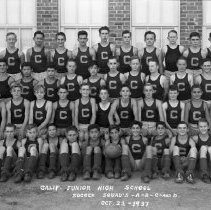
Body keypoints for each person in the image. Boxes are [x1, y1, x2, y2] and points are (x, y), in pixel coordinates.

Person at [192, 119, 211, 183]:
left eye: (205, 126)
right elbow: (193, 153)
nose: (203, 128)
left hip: (209, 161)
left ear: (208, 127)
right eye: (201, 127)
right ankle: (204, 175)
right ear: (198, 128)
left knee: (210, 149)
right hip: (200, 163)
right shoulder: (195, 138)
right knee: (203, 148)